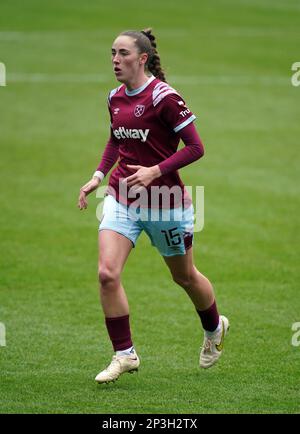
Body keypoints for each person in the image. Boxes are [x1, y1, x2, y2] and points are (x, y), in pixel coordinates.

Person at [78, 28, 229, 384]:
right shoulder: (114, 97)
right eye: (112, 53)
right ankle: (124, 354)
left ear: (142, 58)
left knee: (184, 277)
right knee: (106, 274)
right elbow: (116, 139)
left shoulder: (165, 97)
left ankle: (213, 329)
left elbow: (196, 148)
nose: (115, 60)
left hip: (165, 203)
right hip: (121, 197)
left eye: (123, 54)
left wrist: (155, 171)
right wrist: (99, 176)